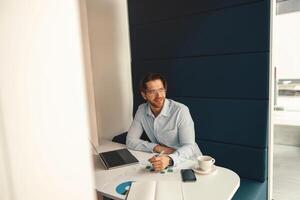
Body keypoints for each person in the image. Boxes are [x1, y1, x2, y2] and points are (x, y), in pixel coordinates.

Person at [126, 73, 202, 171]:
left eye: (161, 90)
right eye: (153, 92)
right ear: (144, 95)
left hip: (190, 162)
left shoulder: (181, 110)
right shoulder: (141, 110)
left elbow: (189, 146)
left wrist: (170, 159)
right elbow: (130, 140)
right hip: (162, 160)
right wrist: (158, 148)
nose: (159, 96)